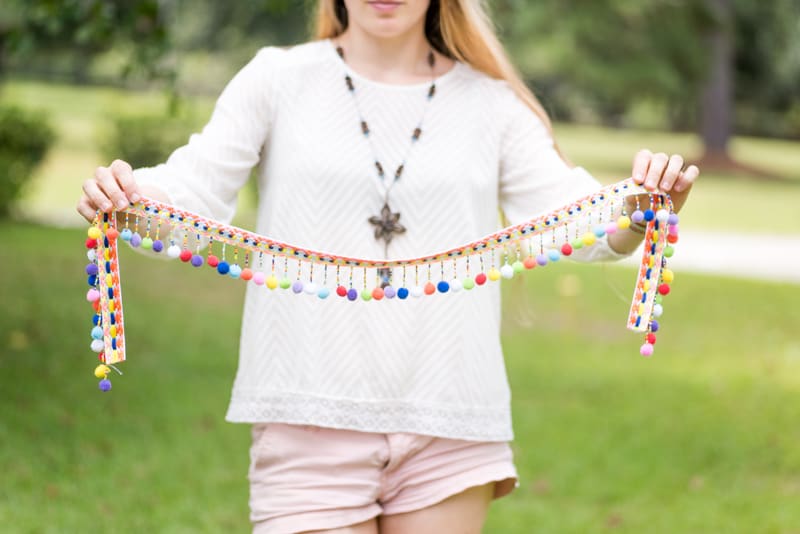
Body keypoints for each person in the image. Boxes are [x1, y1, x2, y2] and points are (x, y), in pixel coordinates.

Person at [76, 0, 699, 532]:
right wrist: (126, 198)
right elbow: (191, 191)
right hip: (306, 413)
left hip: (450, 421)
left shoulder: (492, 105)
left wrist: (642, 206)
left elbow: (577, 217)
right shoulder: (277, 79)